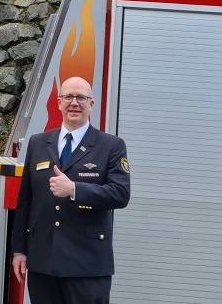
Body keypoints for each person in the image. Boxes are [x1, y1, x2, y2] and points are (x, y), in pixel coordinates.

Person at [10, 76, 131, 304]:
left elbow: (120, 194)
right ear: (58, 102)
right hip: (43, 262)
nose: (74, 102)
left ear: (91, 104)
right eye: (68, 97)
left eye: (81, 97)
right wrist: (19, 250)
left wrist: (75, 189)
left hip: (86, 265)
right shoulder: (38, 142)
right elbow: (25, 201)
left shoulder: (111, 146)